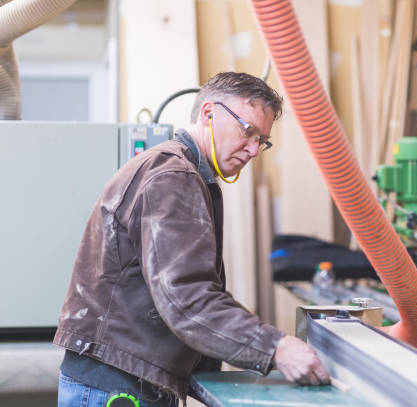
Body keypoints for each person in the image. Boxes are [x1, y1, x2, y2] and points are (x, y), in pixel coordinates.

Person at [54, 72, 330, 407]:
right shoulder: (174, 176)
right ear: (208, 113)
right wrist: (276, 348)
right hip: (118, 386)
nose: (254, 149)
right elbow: (187, 298)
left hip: (121, 378)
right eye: (248, 131)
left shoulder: (183, 172)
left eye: (263, 140)